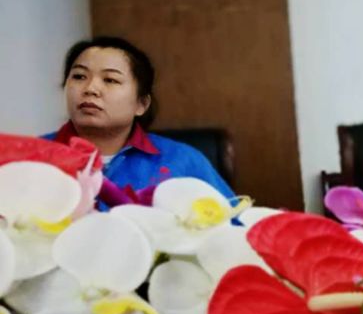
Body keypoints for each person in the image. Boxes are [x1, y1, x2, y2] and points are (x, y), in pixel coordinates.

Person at [46, 36, 234, 197]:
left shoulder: (183, 160)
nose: (90, 89)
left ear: (141, 104)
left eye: (110, 80)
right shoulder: (36, 156)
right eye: (79, 76)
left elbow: (235, 221)